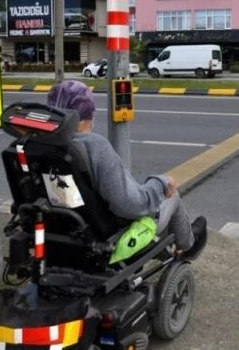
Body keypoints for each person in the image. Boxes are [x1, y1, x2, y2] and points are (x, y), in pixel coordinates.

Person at [46, 80, 194, 255]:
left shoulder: (39, 144)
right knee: (171, 193)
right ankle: (187, 247)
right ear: (87, 118)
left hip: (58, 228)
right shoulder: (93, 146)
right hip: (105, 237)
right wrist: (160, 184)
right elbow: (131, 206)